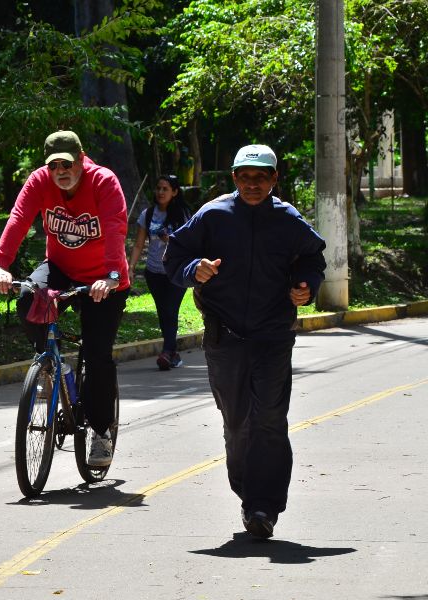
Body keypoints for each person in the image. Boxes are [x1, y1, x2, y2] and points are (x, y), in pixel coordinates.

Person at [163, 144, 326, 539]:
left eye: (261, 177)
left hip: (273, 336)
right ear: (234, 178)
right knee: (237, 423)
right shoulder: (213, 215)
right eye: (245, 177)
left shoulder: (288, 220)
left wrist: (306, 285)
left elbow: (313, 258)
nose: (253, 184)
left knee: (269, 419)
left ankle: (262, 507)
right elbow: (174, 257)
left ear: (274, 179)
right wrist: (194, 268)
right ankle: (247, 493)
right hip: (225, 336)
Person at [0, 130, 130, 467]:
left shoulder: (103, 181)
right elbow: (19, 218)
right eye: (53, 165)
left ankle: (101, 433)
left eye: (66, 164)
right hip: (60, 268)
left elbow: (115, 228)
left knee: (97, 357)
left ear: (81, 159)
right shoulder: (40, 181)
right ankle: (52, 366)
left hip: (104, 278)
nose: (60, 171)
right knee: (28, 298)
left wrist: (111, 276)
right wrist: (1, 265)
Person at [128, 175, 192, 371]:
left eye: (165, 189)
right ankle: (172, 353)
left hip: (176, 271)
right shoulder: (147, 214)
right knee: (163, 312)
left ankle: (166, 352)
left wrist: (169, 239)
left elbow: (189, 243)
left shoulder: (182, 214)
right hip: (154, 272)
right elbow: (138, 244)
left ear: (174, 192)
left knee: (171, 310)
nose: (161, 192)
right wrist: (130, 267)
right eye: (158, 188)